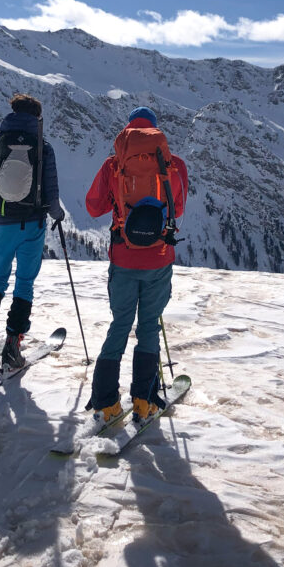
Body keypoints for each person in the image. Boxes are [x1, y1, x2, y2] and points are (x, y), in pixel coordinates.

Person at [85, 106, 188, 424]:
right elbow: (178, 208)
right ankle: (144, 402)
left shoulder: (113, 165)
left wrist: (122, 201)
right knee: (148, 328)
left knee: (119, 325)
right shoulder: (174, 165)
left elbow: (93, 207)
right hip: (158, 259)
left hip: (123, 257)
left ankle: (106, 404)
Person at [0, 93, 64, 370]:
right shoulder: (43, 146)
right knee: (25, 283)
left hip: (2, 221)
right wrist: (57, 214)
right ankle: (12, 346)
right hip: (33, 223)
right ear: (36, 117)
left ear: (12, 112)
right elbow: (51, 191)